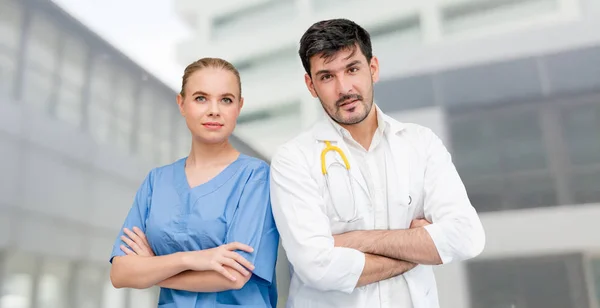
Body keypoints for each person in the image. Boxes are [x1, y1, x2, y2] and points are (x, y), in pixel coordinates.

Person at [269, 18, 485, 308]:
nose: (344, 88)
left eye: (352, 69)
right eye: (327, 76)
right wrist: (416, 246)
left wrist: (358, 240)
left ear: (373, 69)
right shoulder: (293, 159)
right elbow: (316, 267)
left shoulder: (421, 144)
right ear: (311, 85)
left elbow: (466, 237)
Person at [108, 58, 279, 308]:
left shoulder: (255, 177)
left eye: (226, 100)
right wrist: (190, 259)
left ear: (239, 107)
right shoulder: (157, 181)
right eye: (201, 98)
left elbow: (234, 275)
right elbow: (121, 273)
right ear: (182, 103)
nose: (214, 110)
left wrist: (153, 269)